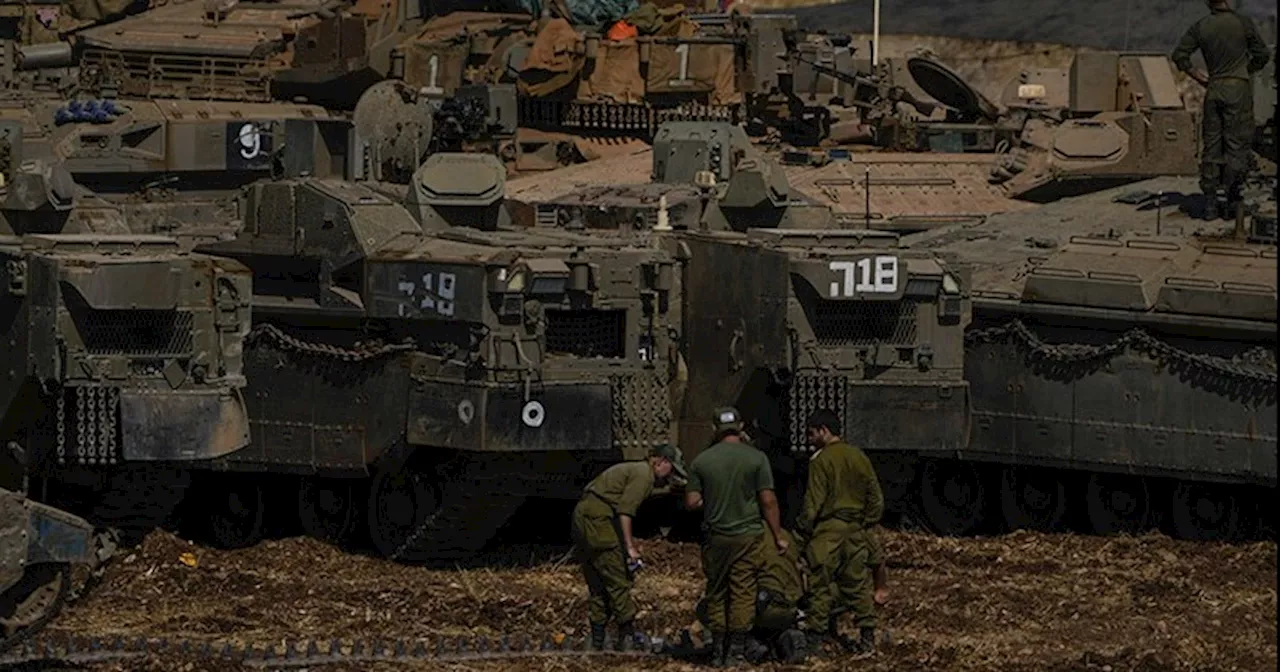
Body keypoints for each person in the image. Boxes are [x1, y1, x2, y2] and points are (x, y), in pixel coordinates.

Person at [684, 407, 788, 666]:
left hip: (717, 537)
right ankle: (736, 652)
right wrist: (777, 536)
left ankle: (718, 650)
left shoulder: (701, 461)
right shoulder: (756, 458)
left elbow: (691, 502)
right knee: (743, 591)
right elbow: (768, 501)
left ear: (713, 429)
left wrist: (713, 497)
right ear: (740, 427)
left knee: (717, 590)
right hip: (747, 536)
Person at [572, 443, 687, 650]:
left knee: (598, 582)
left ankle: (597, 639)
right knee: (618, 578)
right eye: (671, 469)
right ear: (661, 462)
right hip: (598, 518)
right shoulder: (644, 475)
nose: (670, 476)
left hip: (585, 515)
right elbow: (626, 511)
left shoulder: (634, 469)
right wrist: (630, 547)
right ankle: (627, 635)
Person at [795, 409, 883, 657]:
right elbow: (876, 499)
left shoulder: (820, 461)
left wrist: (801, 534)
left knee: (819, 586)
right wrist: (863, 523)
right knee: (857, 585)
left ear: (824, 430)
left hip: (828, 531)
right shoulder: (859, 457)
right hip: (855, 530)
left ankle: (815, 642)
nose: (810, 439)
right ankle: (867, 637)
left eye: (812, 433)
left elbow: (812, 504)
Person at [1171, 0, 1271, 220]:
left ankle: (1210, 204)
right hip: (1238, 90)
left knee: (1212, 145)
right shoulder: (1243, 23)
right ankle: (1233, 200)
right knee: (1237, 145)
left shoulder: (1201, 26)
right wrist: (1246, 71)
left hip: (1214, 88)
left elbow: (1179, 56)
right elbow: (1263, 54)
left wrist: (1201, 78)